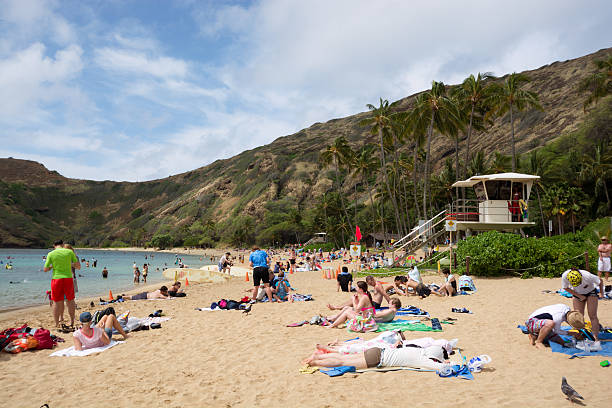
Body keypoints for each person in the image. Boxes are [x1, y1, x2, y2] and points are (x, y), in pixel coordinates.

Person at [303, 344, 448, 370]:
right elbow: (438, 366)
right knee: (342, 362)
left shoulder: (418, 350)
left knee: (345, 357)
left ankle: (318, 357)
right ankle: (316, 362)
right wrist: (446, 363)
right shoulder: (422, 359)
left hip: (377, 351)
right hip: (377, 359)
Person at [43, 240, 81, 328]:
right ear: (62, 244)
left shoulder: (51, 254)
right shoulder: (69, 252)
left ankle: (57, 324)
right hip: (68, 278)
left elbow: (45, 269)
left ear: (54, 245)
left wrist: (52, 266)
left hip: (56, 279)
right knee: (70, 300)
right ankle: (72, 322)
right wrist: (69, 264)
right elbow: (78, 266)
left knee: (56, 302)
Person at [562, 268, 604, 342]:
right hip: (577, 293)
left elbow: (600, 281)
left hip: (590, 292)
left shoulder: (587, 275)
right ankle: (579, 335)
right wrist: (579, 295)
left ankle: (595, 337)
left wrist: (601, 292)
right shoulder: (565, 276)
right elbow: (565, 288)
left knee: (592, 315)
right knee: (578, 316)